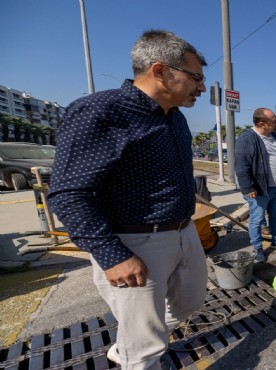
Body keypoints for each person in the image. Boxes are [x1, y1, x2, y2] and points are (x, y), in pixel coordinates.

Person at [47, 30, 208, 369]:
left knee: (188, 303)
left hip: (183, 231)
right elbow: (68, 193)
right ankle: (134, 352)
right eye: (196, 77)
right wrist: (111, 255)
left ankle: (127, 345)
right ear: (161, 71)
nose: (202, 87)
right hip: (134, 241)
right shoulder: (99, 111)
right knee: (145, 347)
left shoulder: (175, 118)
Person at [235, 108, 276, 262]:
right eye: (273, 120)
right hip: (260, 189)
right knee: (257, 219)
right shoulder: (248, 138)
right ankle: (257, 248)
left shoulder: (275, 136)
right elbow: (241, 165)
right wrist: (247, 187)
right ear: (261, 123)